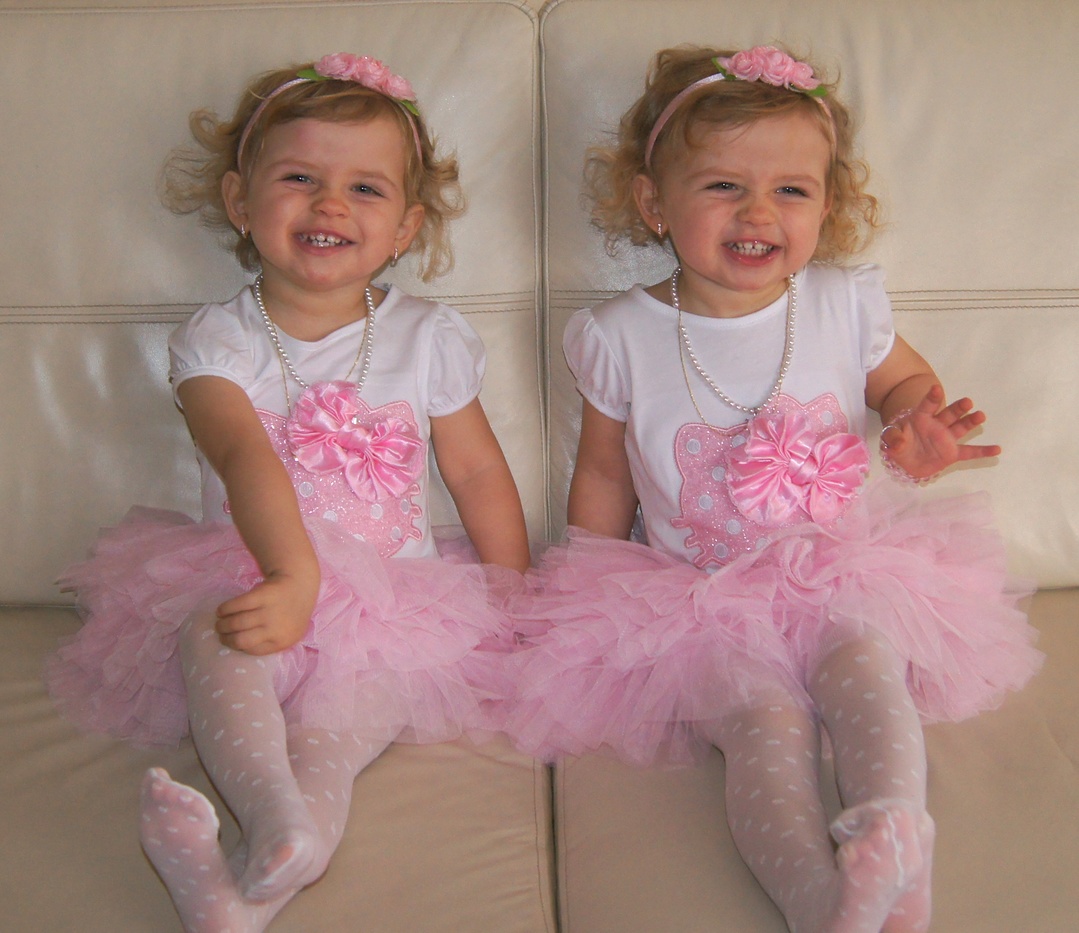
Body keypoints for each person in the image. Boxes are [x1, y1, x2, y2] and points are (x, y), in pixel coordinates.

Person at [506, 45, 1042, 933]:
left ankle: (892, 837)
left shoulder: (841, 303)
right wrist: (584, 582)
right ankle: (817, 897)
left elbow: (905, 387)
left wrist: (915, 429)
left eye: (790, 189)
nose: (758, 212)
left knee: (866, 671)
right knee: (762, 722)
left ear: (827, 205)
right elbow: (601, 469)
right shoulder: (617, 334)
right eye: (723, 186)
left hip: (838, 570)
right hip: (695, 599)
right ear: (653, 203)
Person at [46, 52, 530, 933]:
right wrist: (291, 576)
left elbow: (475, 472)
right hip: (255, 578)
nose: (330, 204)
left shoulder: (428, 337)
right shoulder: (217, 342)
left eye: (365, 188)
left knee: (330, 745)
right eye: (299, 177)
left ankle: (251, 885)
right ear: (241, 201)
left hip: (397, 609)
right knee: (214, 638)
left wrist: (513, 592)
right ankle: (274, 817)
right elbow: (243, 458)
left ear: (406, 226)